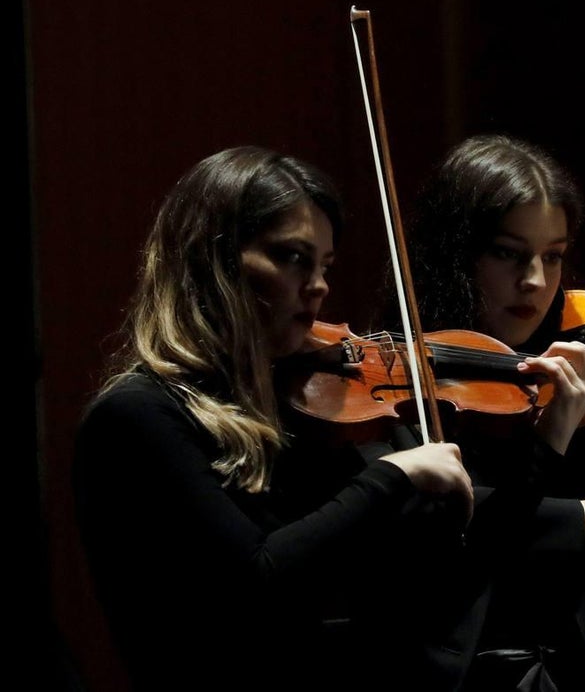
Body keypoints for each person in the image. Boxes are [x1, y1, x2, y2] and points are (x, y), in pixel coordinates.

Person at [71, 147, 477, 691]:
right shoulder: (138, 415)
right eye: (291, 257)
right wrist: (394, 476)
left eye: (325, 265)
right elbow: (256, 580)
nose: (318, 286)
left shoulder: (279, 409)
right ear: (210, 260)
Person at [398, 133, 585, 690]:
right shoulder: (401, 378)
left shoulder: (569, 375)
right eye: (508, 253)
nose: (536, 282)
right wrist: (580, 514)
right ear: (456, 250)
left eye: (553, 256)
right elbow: (448, 531)